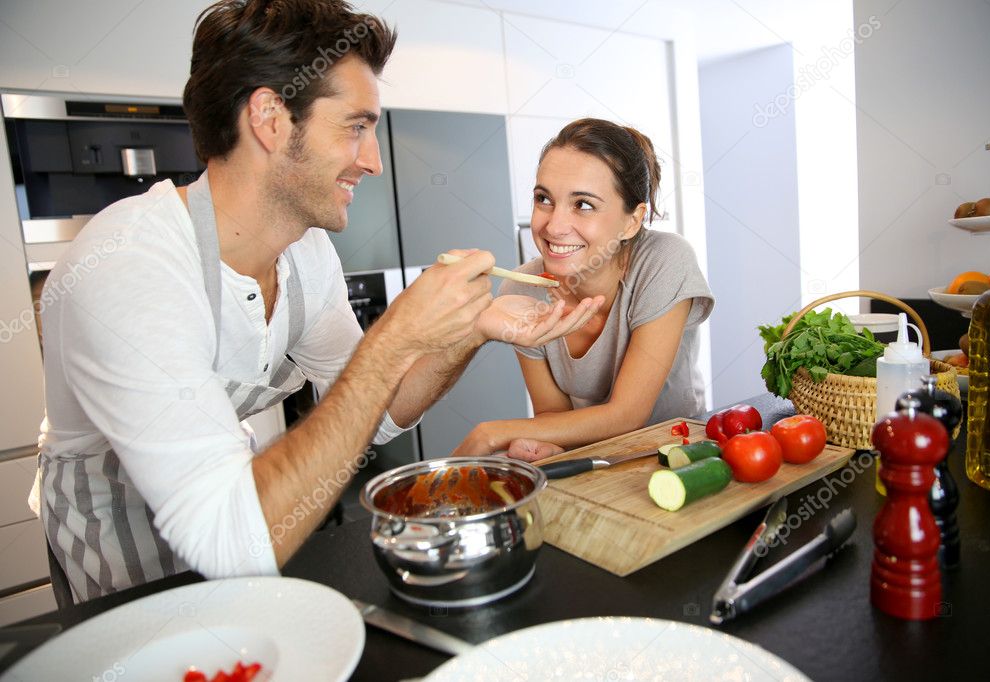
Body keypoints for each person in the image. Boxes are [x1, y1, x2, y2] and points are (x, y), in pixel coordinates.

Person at [35, 0, 601, 603]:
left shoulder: (303, 255)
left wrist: (471, 327)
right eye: (356, 127)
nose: (375, 160)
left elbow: (376, 410)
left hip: (241, 543)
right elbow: (231, 538)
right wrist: (395, 337)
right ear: (270, 119)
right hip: (126, 574)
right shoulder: (131, 264)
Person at [451, 119, 713, 461]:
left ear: (632, 221)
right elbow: (552, 416)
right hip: (590, 465)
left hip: (678, 460)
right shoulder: (521, 289)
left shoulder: (664, 261)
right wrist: (539, 443)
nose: (554, 226)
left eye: (583, 204)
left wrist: (491, 434)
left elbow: (627, 414)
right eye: (544, 199)